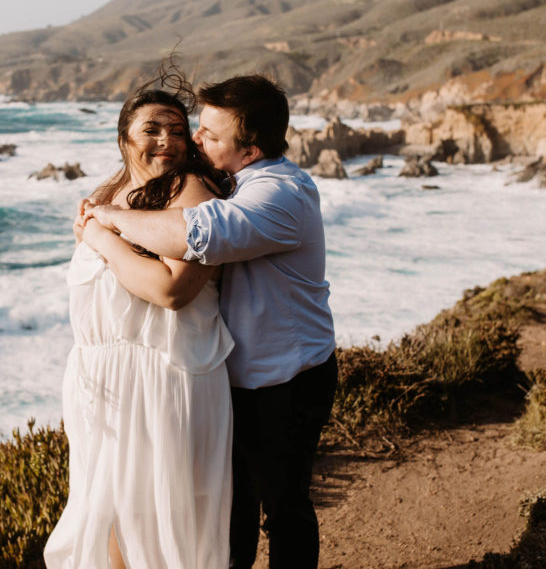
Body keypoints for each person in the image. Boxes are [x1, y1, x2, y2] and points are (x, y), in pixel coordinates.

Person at [87, 74, 338, 569]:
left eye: (210, 134)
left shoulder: (280, 196)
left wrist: (107, 221)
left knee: (284, 510)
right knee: (233, 511)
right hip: (233, 376)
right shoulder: (236, 182)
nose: (195, 140)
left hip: (286, 379)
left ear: (249, 148)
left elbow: (192, 234)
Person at [43, 71, 236, 569]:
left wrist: (101, 238)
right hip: (103, 382)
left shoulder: (191, 192)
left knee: (156, 526)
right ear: (124, 135)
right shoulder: (109, 194)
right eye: (152, 128)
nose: (167, 140)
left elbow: (172, 290)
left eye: (176, 129)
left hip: (164, 378)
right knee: (111, 520)